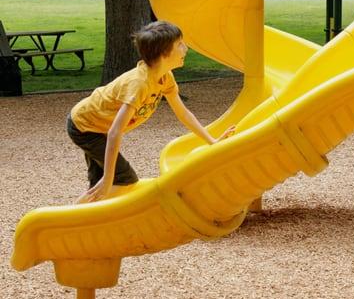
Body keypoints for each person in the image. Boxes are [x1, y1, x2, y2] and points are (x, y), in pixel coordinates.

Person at [67, 21, 235, 204]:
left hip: (98, 126)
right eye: (180, 44)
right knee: (122, 178)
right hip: (85, 126)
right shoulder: (139, 84)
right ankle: (66, 222)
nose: (185, 48)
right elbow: (115, 132)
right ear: (164, 54)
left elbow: (183, 113)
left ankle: (85, 220)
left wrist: (212, 141)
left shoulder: (165, 77)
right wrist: (108, 178)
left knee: (102, 183)